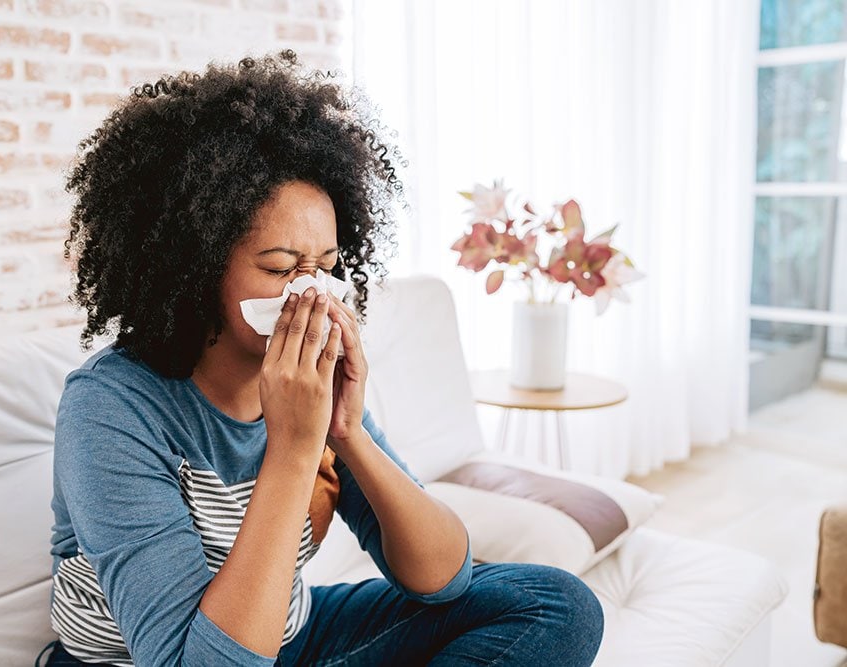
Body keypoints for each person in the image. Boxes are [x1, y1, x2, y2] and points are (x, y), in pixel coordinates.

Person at [34, 49, 604, 667]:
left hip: (292, 637)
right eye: (280, 268)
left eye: (327, 267)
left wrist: (347, 432)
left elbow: (443, 578)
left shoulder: (314, 381)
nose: (310, 292)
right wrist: (294, 450)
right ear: (194, 269)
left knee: (558, 605)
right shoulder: (111, 407)